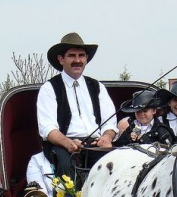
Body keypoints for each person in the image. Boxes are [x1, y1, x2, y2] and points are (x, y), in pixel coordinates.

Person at [36, 32, 117, 181]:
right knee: (66, 165)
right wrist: (68, 143)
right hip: (63, 145)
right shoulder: (49, 88)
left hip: (95, 144)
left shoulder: (97, 87)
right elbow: (47, 128)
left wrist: (106, 137)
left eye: (81, 55)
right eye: (72, 55)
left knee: (116, 165)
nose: (77, 60)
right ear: (61, 59)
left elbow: (110, 122)